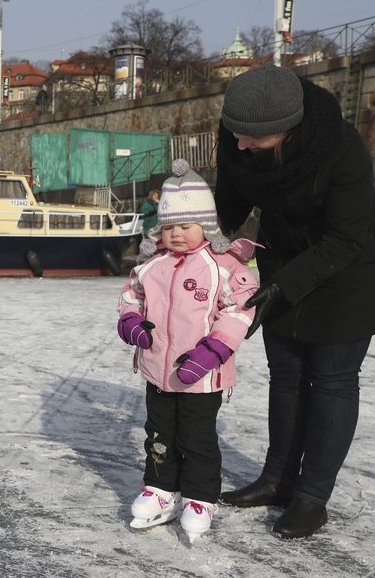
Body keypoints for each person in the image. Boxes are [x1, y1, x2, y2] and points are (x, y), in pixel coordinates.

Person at [214, 63, 375, 539]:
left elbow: (344, 238)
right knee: (287, 374)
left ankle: (312, 496)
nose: (239, 145)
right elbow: (231, 196)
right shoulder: (241, 129)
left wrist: (280, 287)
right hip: (283, 255)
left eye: (252, 138)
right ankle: (277, 480)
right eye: (235, 133)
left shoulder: (341, 148)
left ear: (286, 129)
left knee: (333, 380)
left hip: (348, 271)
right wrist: (203, 236)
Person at [117, 159, 258, 543]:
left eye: (185, 226)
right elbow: (132, 297)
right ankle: (161, 489)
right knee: (159, 433)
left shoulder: (221, 265)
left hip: (201, 376)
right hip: (157, 373)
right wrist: (130, 322)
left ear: (206, 227)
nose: (176, 234)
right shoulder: (153, 263)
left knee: (196, 438)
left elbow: (240, 309)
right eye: (169, 227)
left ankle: (199, 497)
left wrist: (213, 350)